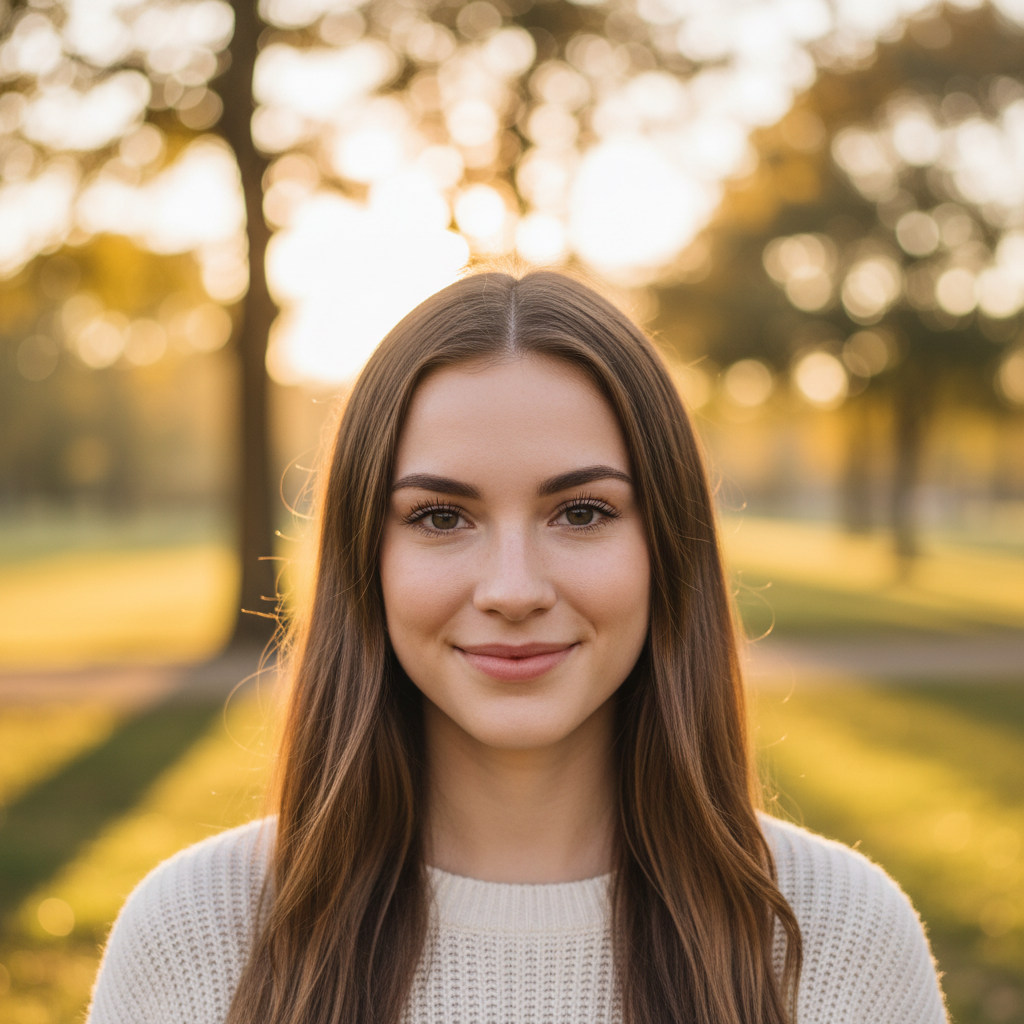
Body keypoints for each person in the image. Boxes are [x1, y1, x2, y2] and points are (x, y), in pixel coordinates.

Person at [87, 270, 947, 1024]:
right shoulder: (195, 934)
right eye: (440, 517)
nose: (512, 589)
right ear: (365, 559)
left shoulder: (838, 935)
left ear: (667, 550)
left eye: (581, 513)